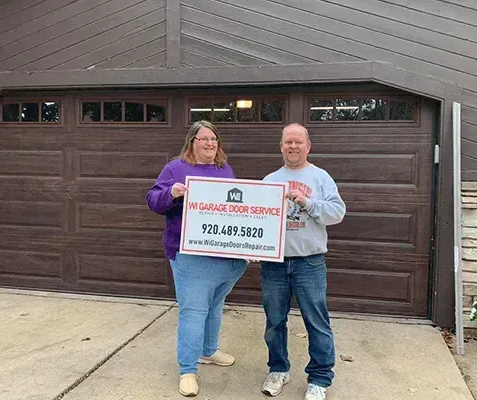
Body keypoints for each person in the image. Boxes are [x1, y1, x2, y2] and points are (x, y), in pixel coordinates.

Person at [146, 120, 248, 397]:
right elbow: (153, 200)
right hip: (190, 254)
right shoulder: (176, 168)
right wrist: (171, 193)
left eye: (213, 139)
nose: (209, 144)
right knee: (193, 311)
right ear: (192, 142)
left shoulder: (224, 169)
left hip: (224, 255)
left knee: (215, 306)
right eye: (203, 139)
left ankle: (208, 351)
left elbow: (236, 211)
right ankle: (187, 370)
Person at [260, 123, 346, 400]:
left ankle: (319, 380)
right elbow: (255, 219)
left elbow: (337, 213)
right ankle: (278, 369)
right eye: (288, 142)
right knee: (274, 322)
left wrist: (308, 203)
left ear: (308, 146)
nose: (293, 147)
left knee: (316, 322)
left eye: (298, 142)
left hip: (310, 262)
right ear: (281, 146)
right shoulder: (269, 180)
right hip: (274, 264)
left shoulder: (320, 178)